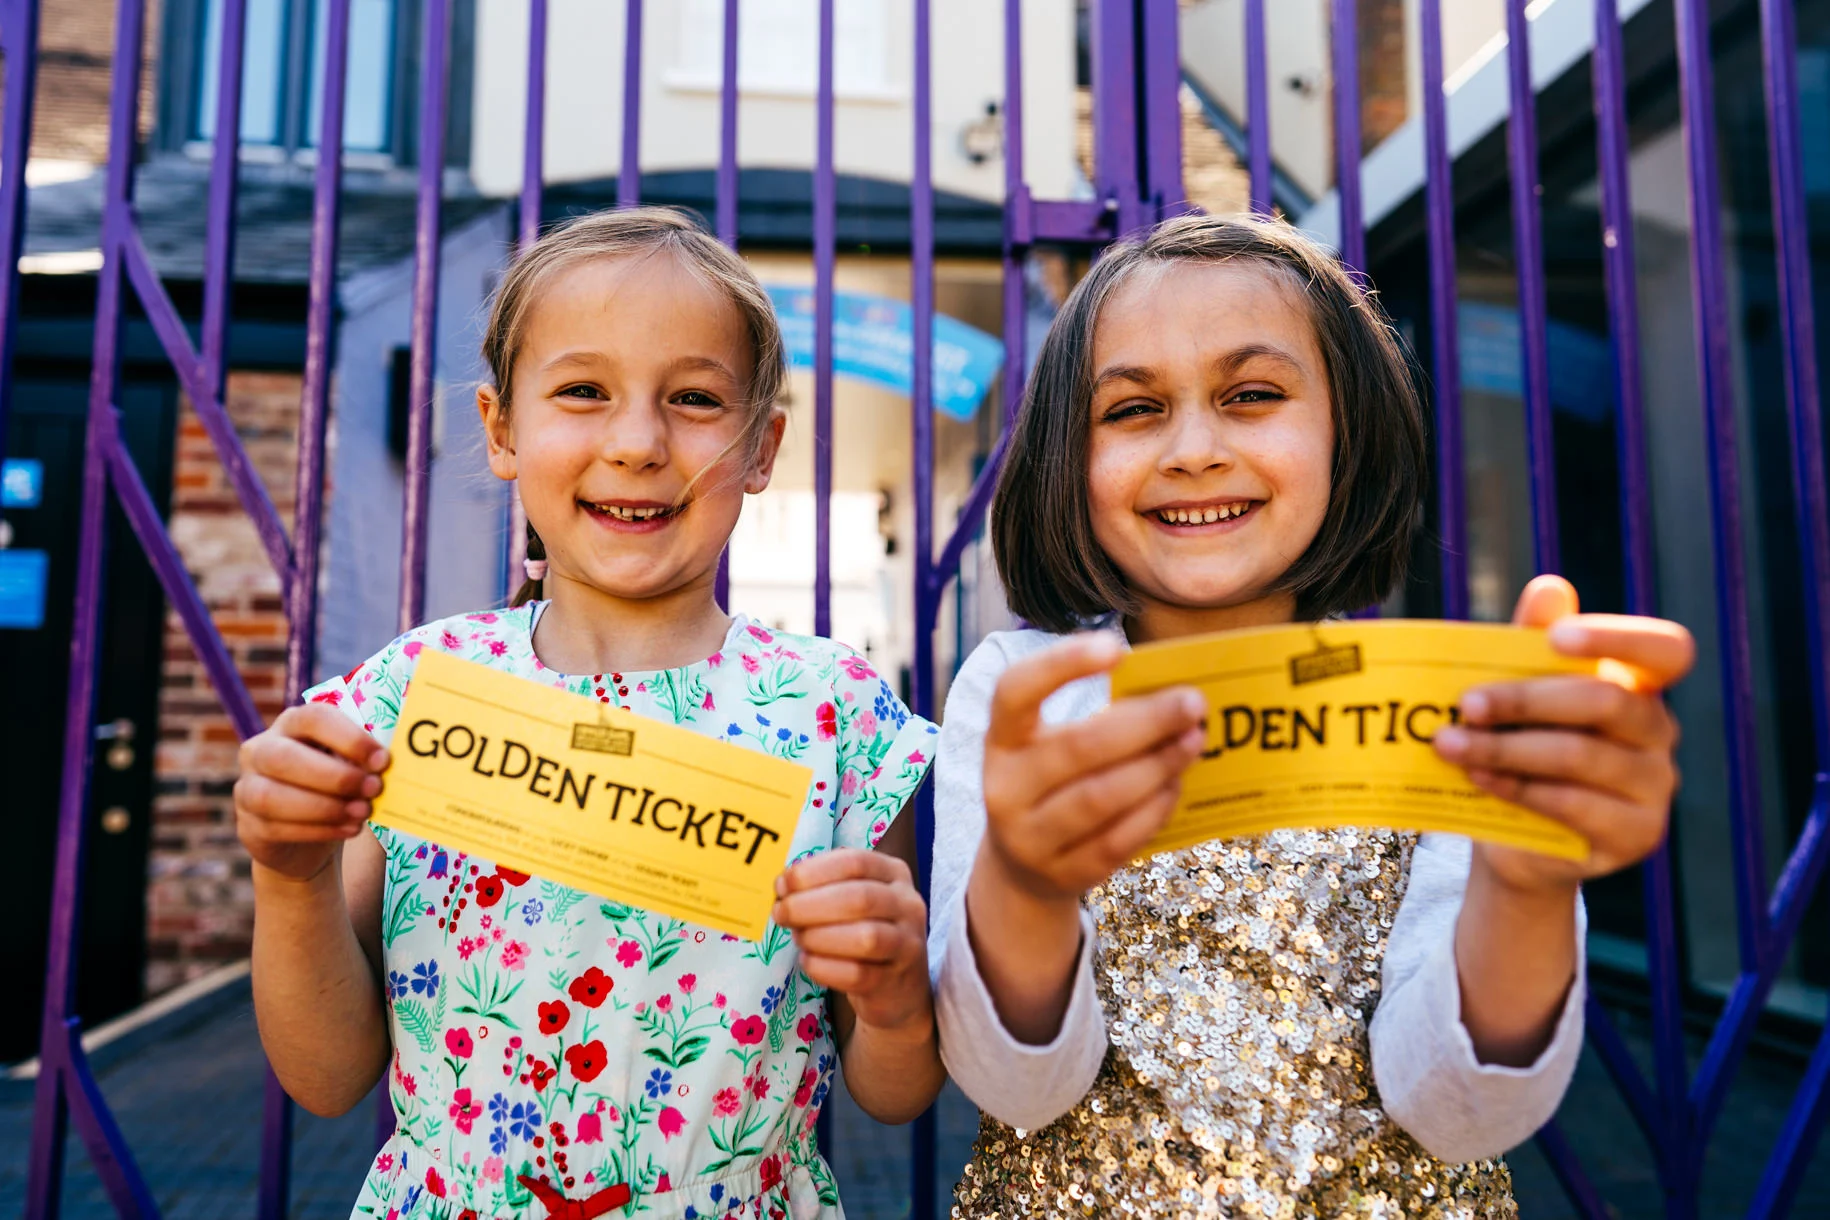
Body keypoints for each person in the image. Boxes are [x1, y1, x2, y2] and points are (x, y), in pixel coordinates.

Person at [927, 214, 1694, 1217]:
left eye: (1252, 395)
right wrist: (1023, 881)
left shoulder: (1447, 706)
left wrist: (1526, 877)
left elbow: (1461, 1112)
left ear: (1349, 427)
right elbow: (1014, 1085)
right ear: (1068, 455)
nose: (1194, 448)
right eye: (1133, 408)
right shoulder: (1023, 691)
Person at [233, 208, 942, 1220]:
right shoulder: (412, 694)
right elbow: (326, 1075)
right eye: (582, 391)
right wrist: (290, 875)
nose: (638, 441)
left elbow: (894, 1086)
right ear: (500, 430)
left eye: (695, 398)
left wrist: (893, 990)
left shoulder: (838, 717)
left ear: (761, 446)